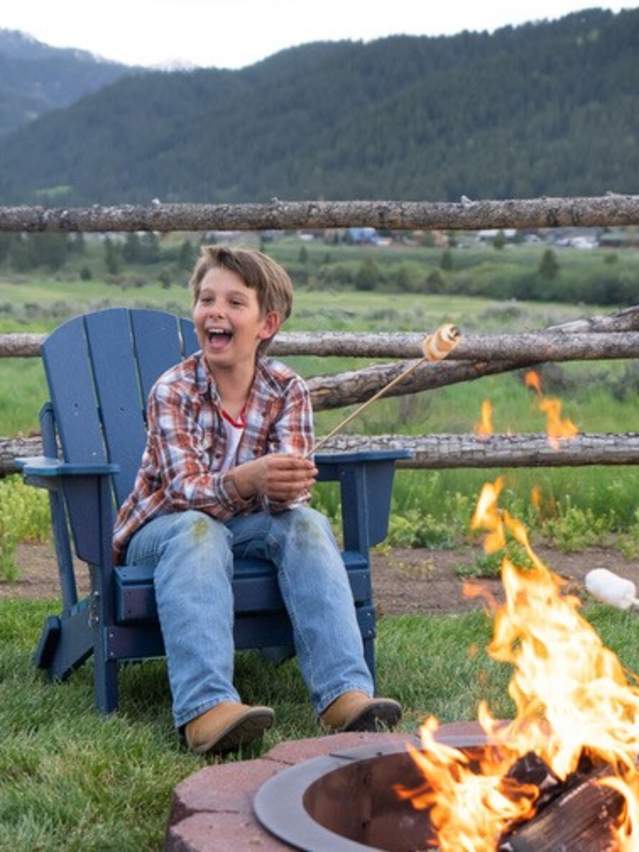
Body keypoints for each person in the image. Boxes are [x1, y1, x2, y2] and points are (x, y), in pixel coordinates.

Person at [113, 245, 401, 755]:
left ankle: (343, 695)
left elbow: (289, 493)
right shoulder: (174, 389)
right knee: (197, 530)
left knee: (306, 523)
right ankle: (206, 708)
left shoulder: (287, 389)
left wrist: (288, 485)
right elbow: (185, 495)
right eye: (206, 300)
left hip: (241, 533)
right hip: (161, 537)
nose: (215, 311)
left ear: (266, 324)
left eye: (233, 302)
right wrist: (249, 480)